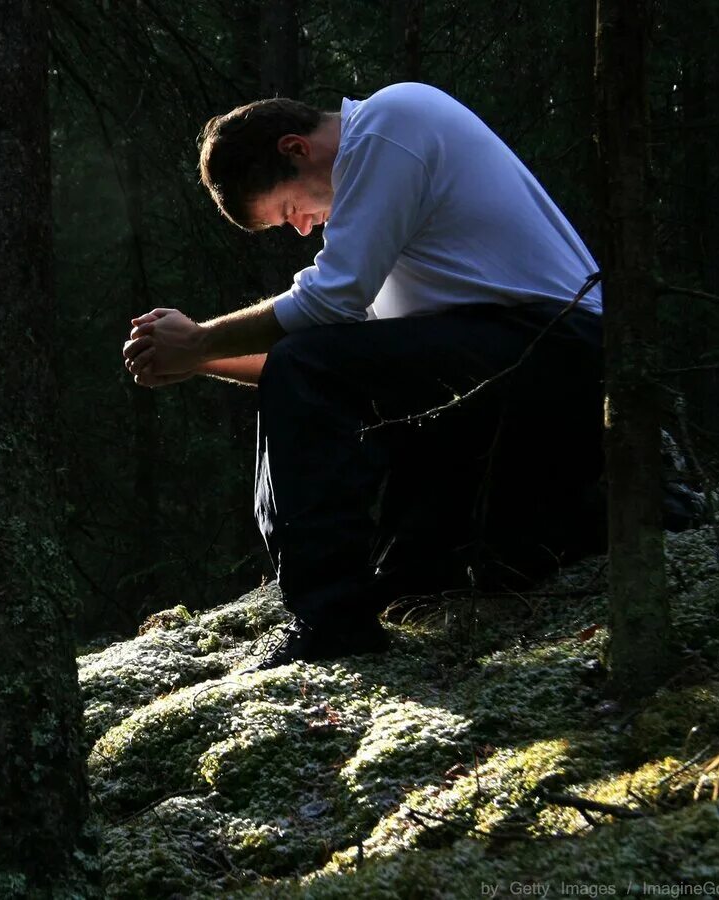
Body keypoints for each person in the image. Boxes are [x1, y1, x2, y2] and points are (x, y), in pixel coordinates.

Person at [121, 83, 606, 670]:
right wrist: (197, 360)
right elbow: (335, 357)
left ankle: (328, 619)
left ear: (296, 148)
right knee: (412, 581)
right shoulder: (384, 200)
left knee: (309, 362)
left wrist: (199, 338)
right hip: (518, 370)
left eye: (287, 211)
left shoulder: (391, 121)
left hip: (556, 347)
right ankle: (580, 513)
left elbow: (326, 313)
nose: (302, 229)